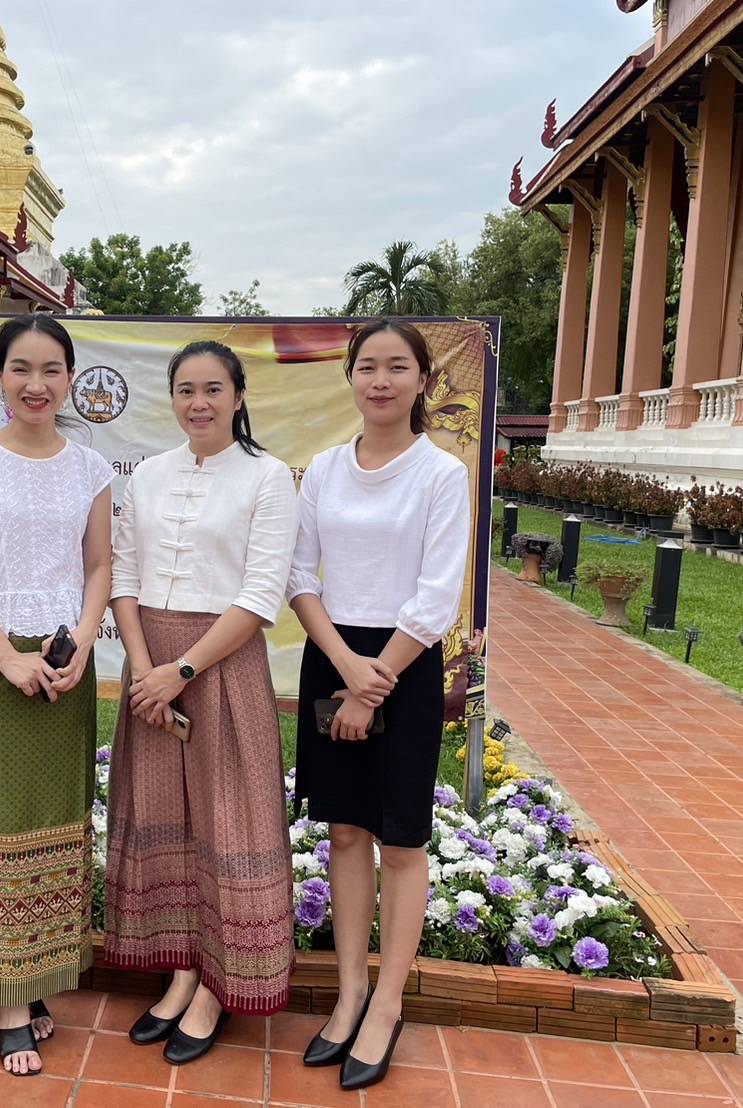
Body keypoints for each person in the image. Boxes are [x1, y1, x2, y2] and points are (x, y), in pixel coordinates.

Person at [287, 320, 470, 1090]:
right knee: (345, 833)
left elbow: (435, 596)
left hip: (406, 661)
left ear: (423, 381)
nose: (381, 380)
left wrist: (375, 677)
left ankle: (388, 1001)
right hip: (332, 653)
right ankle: (349, 989)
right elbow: (298, 575)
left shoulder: (440, 474)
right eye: (367, 367)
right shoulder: (325, 470)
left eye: (398, 367)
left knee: (399, 841)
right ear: (351, 379)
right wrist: (343, 669)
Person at [104, 340, 298, 1065]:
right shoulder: (149, 475)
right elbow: (123, 573)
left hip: (218, 661)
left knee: (226, 816)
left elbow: (259, 591)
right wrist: (143, 667)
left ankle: (221, 984)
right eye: (186, 389)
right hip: (148, 662)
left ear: (239, 396)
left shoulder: (267, 476)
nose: (199, 402)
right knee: (161, 813)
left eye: (214, 388)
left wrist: (179, 669)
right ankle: (182, 967)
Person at [0, 314, 113, 1077]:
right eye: (20, 369)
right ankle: (9, 1002)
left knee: (57, 826)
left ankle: (38, 982)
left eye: (50, 370)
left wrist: (78, 640)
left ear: (70, 378)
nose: (35, 384)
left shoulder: (91, 468)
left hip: (64, 671)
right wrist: (5, 655)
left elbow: (100, 566)